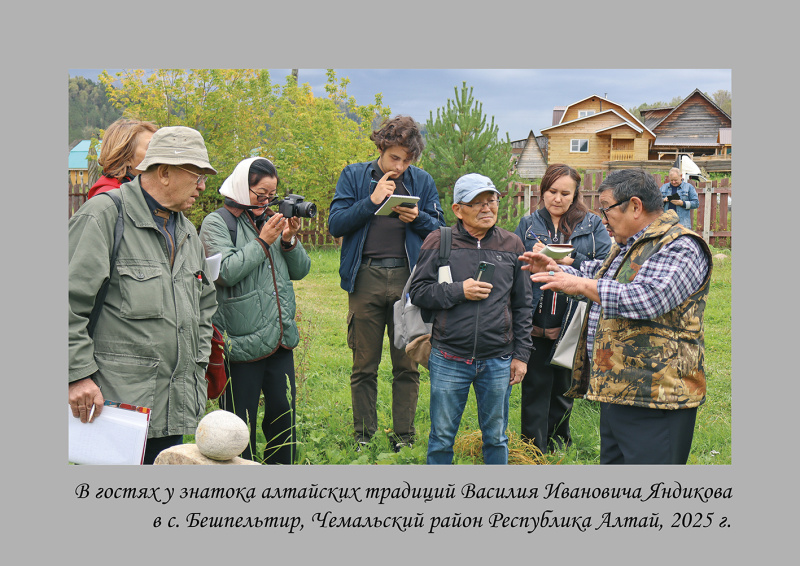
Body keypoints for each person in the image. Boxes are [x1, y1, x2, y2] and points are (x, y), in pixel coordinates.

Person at [519, 168, 712, 465]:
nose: (603, 218)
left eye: (606, 208)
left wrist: (581, 284)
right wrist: (557, 270)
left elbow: (648, 298)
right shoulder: (631, 245)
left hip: (658, 396)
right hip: (620, 388)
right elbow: (595, 277)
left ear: (635, 206)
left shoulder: (678, 245)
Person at [69, 126, 218, 465]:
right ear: (164, 172)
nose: (203, 185)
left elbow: (205, 307)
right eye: (196, 175)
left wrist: (197, 364)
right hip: (116, 410)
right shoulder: (105, 215)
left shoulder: (186, 232)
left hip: (174, 405)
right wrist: (76, 376)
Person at [328, 115, 445, 452]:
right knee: (364, 364)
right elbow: (336, 224)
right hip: (365, 276)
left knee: (407, 364)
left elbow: (441, 233)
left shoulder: (421, 181)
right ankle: (364, 436)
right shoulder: (354, 175)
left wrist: (418, 218)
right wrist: (372, 201)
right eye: (395, 157)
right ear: (381, 147)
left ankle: (404, 438)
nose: (401, 166)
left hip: (410, 282)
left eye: (408, 160)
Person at [408, 173, 532, 465]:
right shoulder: (439, 241)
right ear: (457, 209)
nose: (486, 208)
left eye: (491, 201)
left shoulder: (512, 245)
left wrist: (522, 355)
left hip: (498, 359)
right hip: (449, 355)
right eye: (476, 203)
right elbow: (419, 292)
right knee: (441, 438)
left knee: (496, 437)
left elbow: (524, 304)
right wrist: (458, 290)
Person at [199, 157, 310, 464]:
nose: (266, 201)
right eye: (260, 194)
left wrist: (288, 240)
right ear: (240, 187)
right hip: (240, 340)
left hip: (280, 337)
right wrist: (263, 242)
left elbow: (301, 270)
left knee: (283, 419)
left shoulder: (271, 220)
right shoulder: (217, 222)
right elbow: (225, 273)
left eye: (271, 195)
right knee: (237, 424)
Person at [513, 164, 611, 453]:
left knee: (563, 386)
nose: (557, 198)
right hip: (535, 313)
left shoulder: (592, 225)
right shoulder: (528, 224)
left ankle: (558, 444)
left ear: (575, 194)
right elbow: (516, 263)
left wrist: (571, 259)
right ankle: (532, 448)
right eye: (552, 191)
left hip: (573, 315)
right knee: (534, 386)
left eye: (565, 193)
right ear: (543, 191)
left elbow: (606, 265)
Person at [87, 118, 158, 199]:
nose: (159, 152)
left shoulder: (141, 190)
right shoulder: (110, 199)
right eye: (151, 147)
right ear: (126, 157)